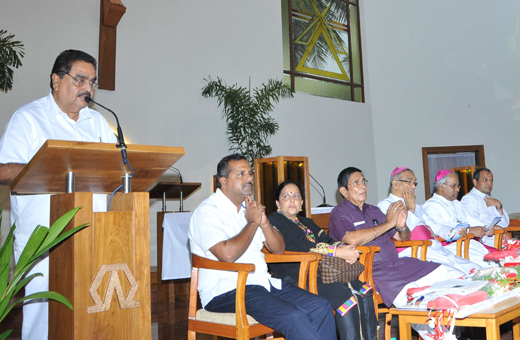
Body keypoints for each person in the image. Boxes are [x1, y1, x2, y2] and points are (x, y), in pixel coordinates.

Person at [0, 50, 117, 340]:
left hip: (94, 232)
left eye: (92, 81)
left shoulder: (98, 123)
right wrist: (52, 166)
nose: (87, 88)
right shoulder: (28, 118)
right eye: (80, 79)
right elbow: (3, 170)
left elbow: (118, 167)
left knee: (91, 310)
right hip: (45, 236)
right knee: (44, 317)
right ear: (56, 80)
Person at [188, 154, 336, 340]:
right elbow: (227, 255)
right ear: (223, 181)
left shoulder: (248, 209)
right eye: (241, 174)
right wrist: (252, 223)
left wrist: (264, 222)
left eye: (249, 173)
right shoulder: (208, 212)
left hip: (262, 284)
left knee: (320, 306)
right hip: (226, 291)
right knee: (292, 316)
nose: (249, 178)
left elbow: (278, 249)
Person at [268, 180, 377, 340]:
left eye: (296, 196)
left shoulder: (307, 222)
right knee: (346, 298)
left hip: (323, 271)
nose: (292, 200)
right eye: (286, 196)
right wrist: (336, 252)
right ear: (278, 203)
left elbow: (326, 239)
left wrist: (345, 248)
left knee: (365, 292)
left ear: (302, 203)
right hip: (295, 274)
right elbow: (299, 246)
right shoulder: (274, 220)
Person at [328, 167, 450, 308]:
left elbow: (401, 237)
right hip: (372, 270)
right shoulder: (339, 213)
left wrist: (401, 226)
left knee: (442, 272)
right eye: (356, 183)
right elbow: (352, 239)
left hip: (396, 264)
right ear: (344, 191)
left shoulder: (374, 210)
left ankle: (441, 320)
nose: (363, 186)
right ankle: (431, 327)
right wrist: (389, 223)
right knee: (411, 297)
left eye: (364, 181)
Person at [377, 167, 480, 276]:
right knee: (455, 274)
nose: (413, 186)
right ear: (395, 184)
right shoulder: (385, 206)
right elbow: (399, 234)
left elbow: (433, 226)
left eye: (414, 183)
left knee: (474, 269)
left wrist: (452, 232)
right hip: (415, 251)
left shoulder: (417, 206)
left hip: (434, 247)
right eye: (409, 182)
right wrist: (410, 210)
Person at [422, 170, 497, 267]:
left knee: (496, 260)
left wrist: (486, 228)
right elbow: (441, 229)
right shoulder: (430, 206)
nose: (457, 189)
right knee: (486, 265)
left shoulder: (456, 203)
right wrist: (470, 231)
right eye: (453, 186)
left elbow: (471, 220)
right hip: (451, 247)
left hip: (467, 243)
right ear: (441, 186)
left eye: (458, 186)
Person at [461, 168, 510, 247]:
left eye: (491, 181)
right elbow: (471, 223)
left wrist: (499, 205)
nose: (489, 183)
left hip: (500, 239)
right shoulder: (469, 199)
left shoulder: (490, 199)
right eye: (485, 180)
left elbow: (505, 224)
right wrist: (494, 227)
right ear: (475, 182)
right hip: (484, 243)